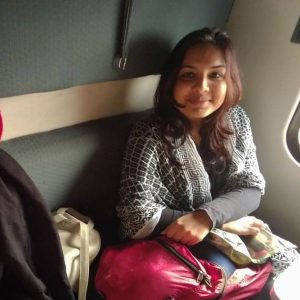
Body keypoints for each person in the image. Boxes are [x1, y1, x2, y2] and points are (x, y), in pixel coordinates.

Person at [116, 27, 299, 282]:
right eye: (189, 75)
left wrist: (208, 217)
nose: (202, 88)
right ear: (171, 81)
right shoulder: (148, 135)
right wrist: (216, 222)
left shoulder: (236, 119)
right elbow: (136, 216)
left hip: (220, 222)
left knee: (288, 267)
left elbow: (251, 187)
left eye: (215, 75)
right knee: (231, 277)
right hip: (171, 238)